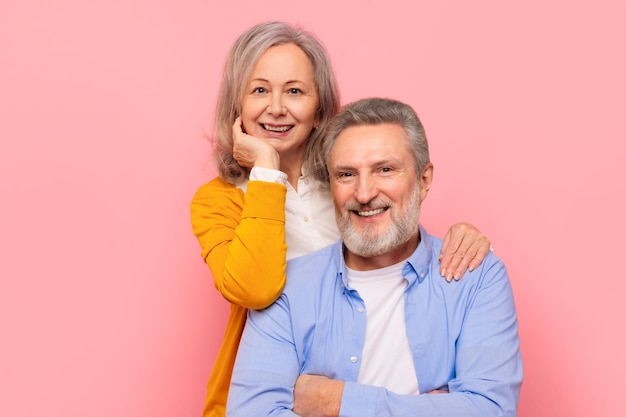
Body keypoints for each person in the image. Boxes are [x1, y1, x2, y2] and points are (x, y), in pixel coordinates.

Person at [190, 21, 493, 417]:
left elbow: (400, 246)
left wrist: (461, 236)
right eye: (259, 89)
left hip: (363, 388)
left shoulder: (349, 184)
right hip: (271, 396)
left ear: (319, 110)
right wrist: (266, 169)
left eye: (295, 91)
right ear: (237, 107)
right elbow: (256, 290)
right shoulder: (217, 201)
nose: (277, 107)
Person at [226, 97, 523, 417]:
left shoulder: (476, 276)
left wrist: (336, 400)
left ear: (424, 181)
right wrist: (432, 406)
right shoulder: (288, 289)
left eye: (385, 169)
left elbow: (491, 410)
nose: (364, 193)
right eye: (346, 174)